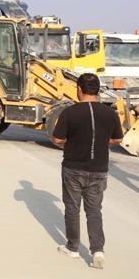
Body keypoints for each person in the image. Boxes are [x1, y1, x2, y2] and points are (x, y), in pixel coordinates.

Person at [51, 73, 123, 269]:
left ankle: (73, 248)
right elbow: (117, 139)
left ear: (79, 90)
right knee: (94, 210)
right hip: (99, 169)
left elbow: (57, 139)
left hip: (73, 168)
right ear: (98, 90)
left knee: (72, 209)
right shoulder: (111, 114)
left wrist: (75, 140)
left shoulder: (70, 112)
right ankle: (97, 250)